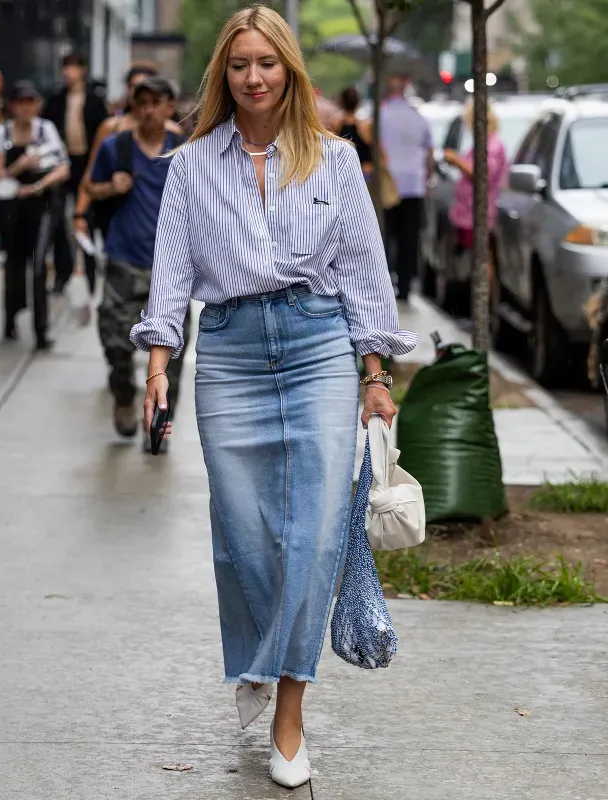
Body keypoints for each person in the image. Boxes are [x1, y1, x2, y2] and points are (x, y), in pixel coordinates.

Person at [130, 5, 416, 789]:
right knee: (245, 533)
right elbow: (171, 279)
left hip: (319, 342)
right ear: (222, 74)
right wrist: (158, 367)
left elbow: (364, 275)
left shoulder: (333, 160)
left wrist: (376, 376)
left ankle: (288, 708)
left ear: (289, 69)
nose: (253, 77)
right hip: (229, 354)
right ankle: (264, 654)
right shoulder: (190, 167)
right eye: (238, 65)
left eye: (267, 63)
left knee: (317, 530)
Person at [86, 77, 188, 441]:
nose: (148, 110)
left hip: (171, 268)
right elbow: (90, 187)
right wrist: (109, 187)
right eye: (141, 102)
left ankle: (159, 423)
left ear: (169, 106)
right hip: (124, 259)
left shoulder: (184, 150)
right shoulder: (117, 148)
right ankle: (125, 395)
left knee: (171, 350)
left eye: (156, 102)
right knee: (114, 340)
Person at [0, 81, 70, 349]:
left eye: (31, 101)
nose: (26, 107)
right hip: (12, 208)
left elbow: (63, 169)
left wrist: (36, 186)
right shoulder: (3, 133)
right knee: (13, 264)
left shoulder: (46, 130)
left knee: (37, 266)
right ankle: (10, 317)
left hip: (41, 205)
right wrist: (19, 166)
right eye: (21, 102)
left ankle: (41, 329)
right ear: (13, 105)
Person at [73, 64, 181, 244]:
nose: (148, 107)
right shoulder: (112, 129)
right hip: (118, 221)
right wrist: (79, 214)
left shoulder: (174, 135)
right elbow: (91, 176)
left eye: (154, 100)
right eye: (135, 88)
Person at [43, 52, 109, 294]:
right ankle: (63, 272)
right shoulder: (56, 100)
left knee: (86, 220)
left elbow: (102, 134)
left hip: (86, 162)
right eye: (66, 68)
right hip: (62, 164)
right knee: (59, 220)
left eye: (73, 67)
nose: (69, 73)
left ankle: (91, 275)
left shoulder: (93, 100)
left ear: (82, 70)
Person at [380, 70, 434, 302]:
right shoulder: (417, 117)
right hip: (413, 185)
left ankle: (384, 282)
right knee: (409, 238)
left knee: (384, 235)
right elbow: (430, 152)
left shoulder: (380, 116)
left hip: (388, 185)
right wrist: (426, 177)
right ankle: (405, 286)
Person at [445, 100, 507, 255]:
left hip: (479, 212)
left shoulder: (491, 145)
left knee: (483, 256)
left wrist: (456, 160)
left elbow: (482, 174)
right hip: (470, 212)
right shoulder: (483, 143)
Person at [334, 85, 373, 180]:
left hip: (344, 173)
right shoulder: (365, 125)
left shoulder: (336, 125)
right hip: (365, 172)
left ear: (341, 102)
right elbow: (376, 150)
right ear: (358, 102)